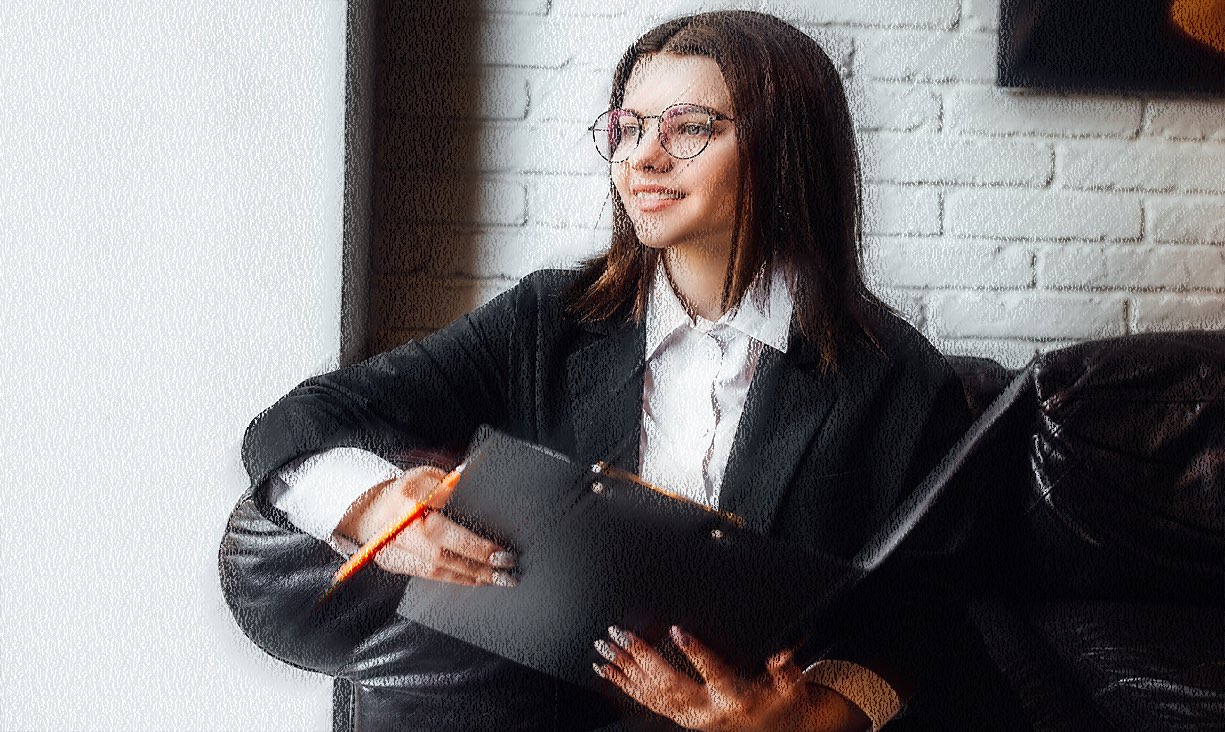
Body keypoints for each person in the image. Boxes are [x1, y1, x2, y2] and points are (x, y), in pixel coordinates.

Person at [233, 10, 1003, 731]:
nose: (643, 157)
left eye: (689, 128)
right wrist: (371, 507)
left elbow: (921, 612)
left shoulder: (896, 377)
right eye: (628, 129)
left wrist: (814, 718)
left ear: (784, 149)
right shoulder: (553, 318)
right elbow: (298, 420)